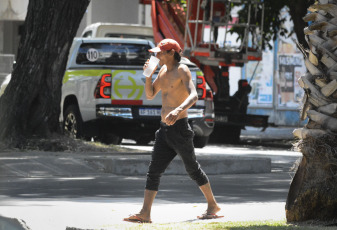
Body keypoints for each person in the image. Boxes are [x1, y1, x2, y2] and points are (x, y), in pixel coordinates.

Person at [123, 38, 222, 223]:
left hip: (180, 129)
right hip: (164, 130)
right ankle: (145, 213)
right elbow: (151, 93)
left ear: (171, 53)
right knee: (154, 171)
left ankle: (212, 205)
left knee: (192, 169)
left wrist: (178, 110)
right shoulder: (162, 70)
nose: (156, 55)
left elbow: (194, 95)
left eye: (160, 53)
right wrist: (147, 76)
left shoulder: (182, 70)